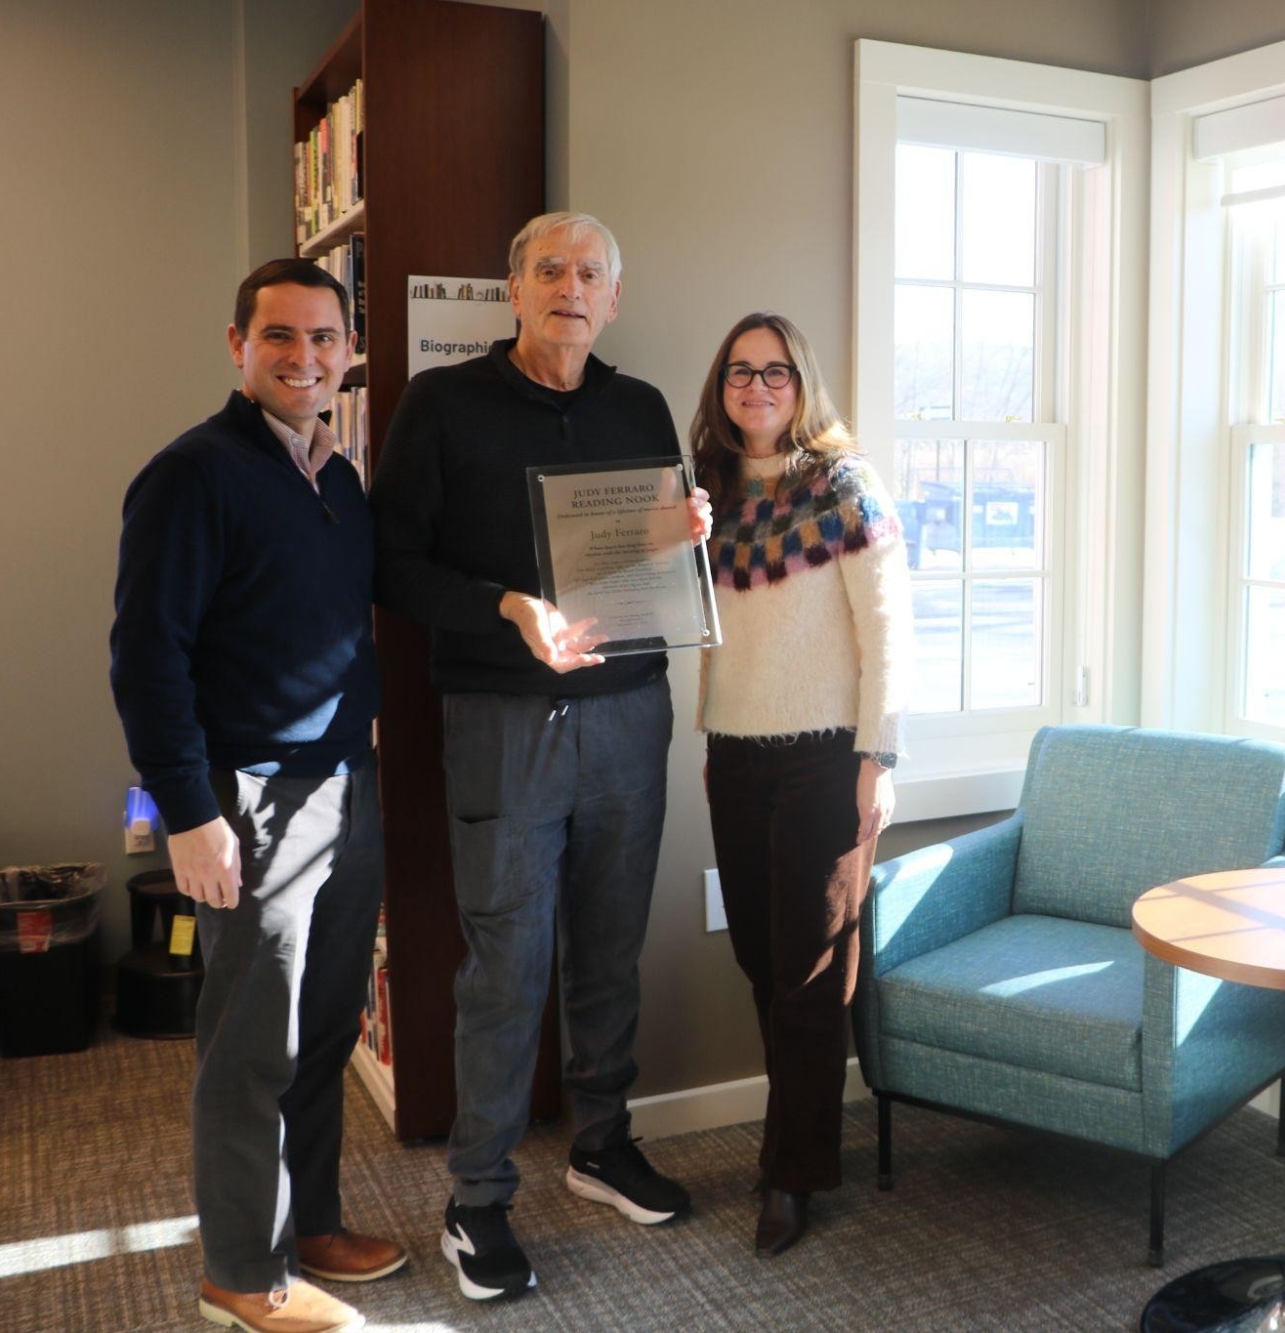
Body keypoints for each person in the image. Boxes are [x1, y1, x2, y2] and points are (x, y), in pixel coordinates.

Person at [370, 211, 708, 1302]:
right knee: (507, 964)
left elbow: (642, 557)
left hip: (631, 711)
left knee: (610, 945)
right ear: (511, 291)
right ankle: (476, 1197)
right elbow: (391, 566)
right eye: (549, 269)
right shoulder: (441, 405)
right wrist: (507, 605)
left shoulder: (640, 405)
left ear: (613, 298)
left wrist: (683, 534)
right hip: (504, 722)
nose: (570, 287)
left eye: (589, 273)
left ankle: (601, 1144)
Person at [111, 259, 402, 1333]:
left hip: (346, 784)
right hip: (249, 800)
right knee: (248, 1046)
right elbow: (147, 659)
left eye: (324, 338)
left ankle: (308, 1222)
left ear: (348, 352)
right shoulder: (192, 475)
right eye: (280, 335)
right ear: (237, 344)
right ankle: (239, 1274)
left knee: (322, 1029)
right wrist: (190, 814)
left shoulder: (338, 478)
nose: (304, 357)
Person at [692, 312, 911, 1256]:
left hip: (827, 758)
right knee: (761, 958)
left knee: (812, 973)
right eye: (740, 372)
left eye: (775, 371)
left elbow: (888, 632)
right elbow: (678, 611)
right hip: (734, 754)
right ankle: (794, 1138)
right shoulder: (705, 490)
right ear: (722, 388)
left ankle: (795, 1169)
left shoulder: (844, 486)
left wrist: (878, 760)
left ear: (802, 382)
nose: (757, 387)